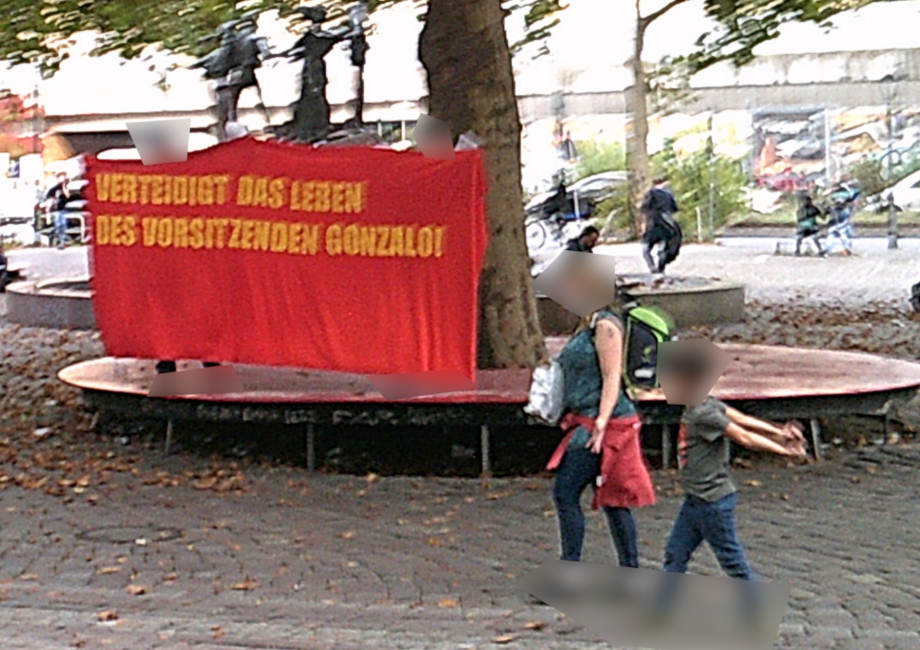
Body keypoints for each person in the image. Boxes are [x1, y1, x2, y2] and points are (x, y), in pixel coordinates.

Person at [643, 350, 807, 630]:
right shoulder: (706, 405)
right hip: (697, 500)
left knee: (731, 561)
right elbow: (741, 419)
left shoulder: (702, 413)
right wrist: (779, 431)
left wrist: (782, 449)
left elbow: (742, 436)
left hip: (712, 502)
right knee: (675, 553)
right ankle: (660, 612)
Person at [543, 301, 657, 571]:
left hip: (604, 423)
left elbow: (611, 376)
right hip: (586, 419)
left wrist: (602, 423)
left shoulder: (605, 325)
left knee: (567, 491)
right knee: (611, 500)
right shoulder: (587, 322)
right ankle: (630, 571)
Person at [641, 177, 682, 275]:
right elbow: (675, 210)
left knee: (646, 249)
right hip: (666, 225)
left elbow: (644, 210)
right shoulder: (669, 195)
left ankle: (652, 267)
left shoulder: (650, 194)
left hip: (653, 224)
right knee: (662, 249)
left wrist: (643, 226)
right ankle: (661, 269)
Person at [44, 172, 70, 249]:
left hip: (63, 209)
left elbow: (68, 196)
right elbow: (49, 198)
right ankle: (56, 241)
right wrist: (48, 208)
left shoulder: (66, 187)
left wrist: (64, 187)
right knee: (57, 225)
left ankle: (62, 242)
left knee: (63, 225)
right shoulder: (54, 189)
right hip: (56, 210)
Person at [795, 192, 825, 257]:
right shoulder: (802, 210)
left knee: (813, 237)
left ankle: (820, 250)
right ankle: (797, 250)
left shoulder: (812, 209)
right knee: (800, 237)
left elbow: (823, 217)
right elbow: (799, 219)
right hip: (806, 228)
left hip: (811, 228)